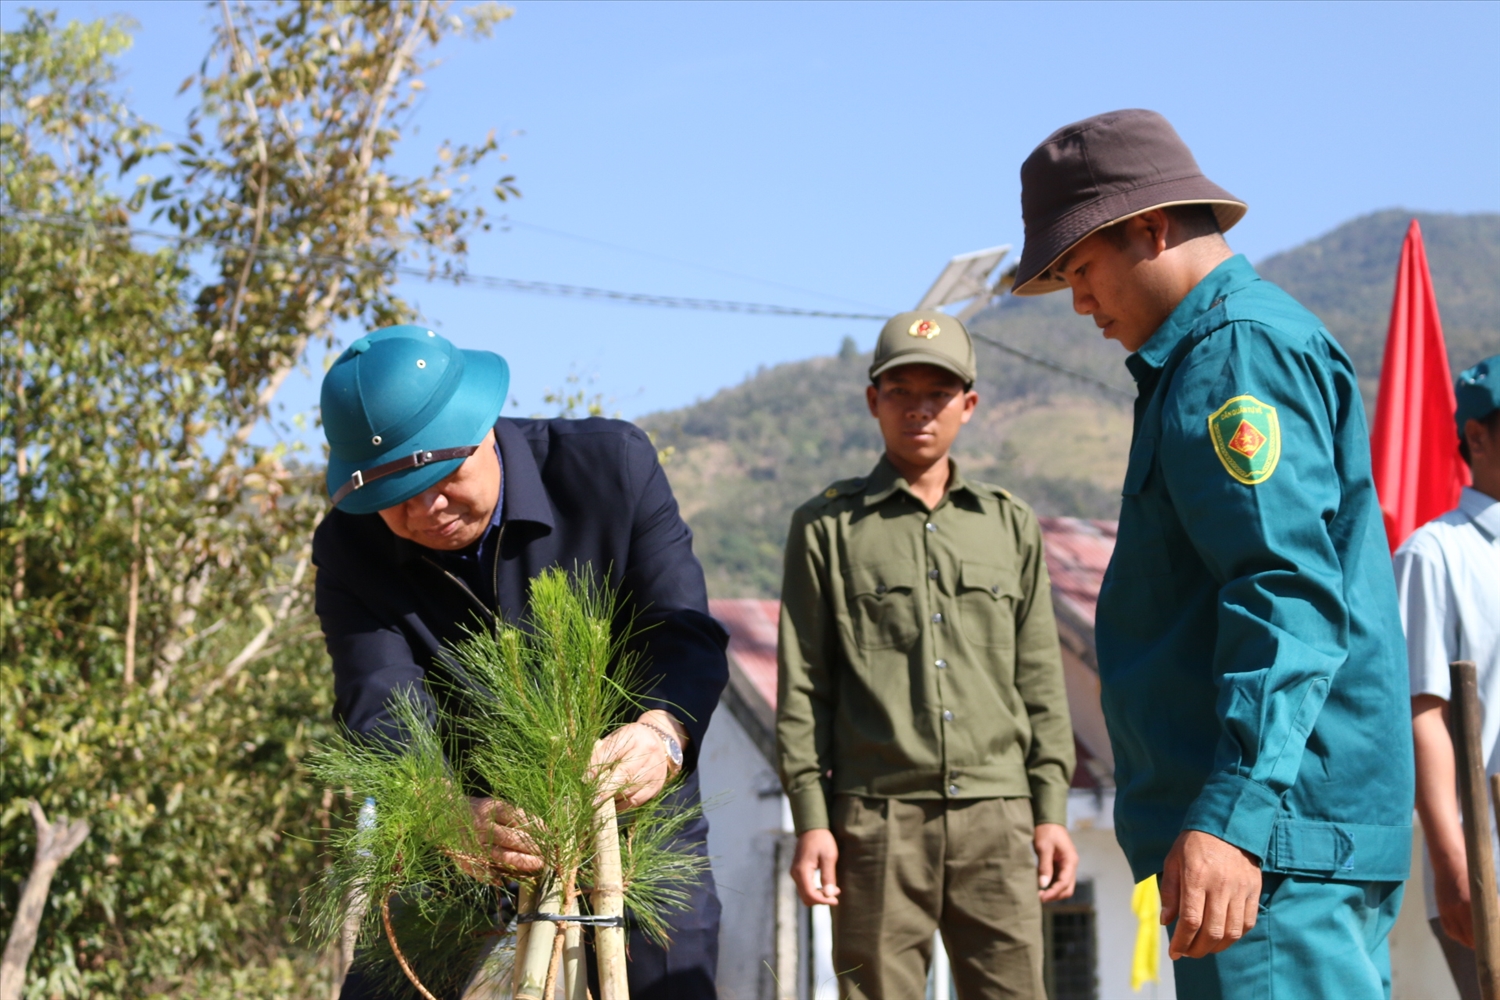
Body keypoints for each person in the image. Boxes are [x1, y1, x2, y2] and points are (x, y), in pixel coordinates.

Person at [1011, 109, 1413, 998]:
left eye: (1081, 268)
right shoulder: (1210, 354)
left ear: (1150, 229)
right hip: (1274, 844)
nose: (1078, 301)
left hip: (1270, 848)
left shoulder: (1235, 355)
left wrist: (1233, 818)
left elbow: (1284, 595)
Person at [311, 325, 729, 1000]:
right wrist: (447, 814)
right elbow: (379, 701)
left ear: (482, 429)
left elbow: (684, 634)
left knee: (667, 982)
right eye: (395, 497)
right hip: (466, 819)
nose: (427, 508)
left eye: (442, 477)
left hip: (630, 810)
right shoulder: (348, 550)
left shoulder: (609, 469)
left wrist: (659, 734)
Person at [775, 311, 1078, 1000]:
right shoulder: (826, 526)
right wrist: (813, 821)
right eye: (900, 390)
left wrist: (1050, 809)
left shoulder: (1008, 523)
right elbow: (804, 687)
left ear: (968, 406)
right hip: (875, 822)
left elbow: (1040, 679)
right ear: (872, 400)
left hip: (999, 819)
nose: (919, 408)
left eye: (937, 393)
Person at [1400, 355, 1500, 1000]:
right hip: (1492, 866)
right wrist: (1453, 862)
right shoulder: (1435, 554)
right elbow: (1423, 713)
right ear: (1478, 436)